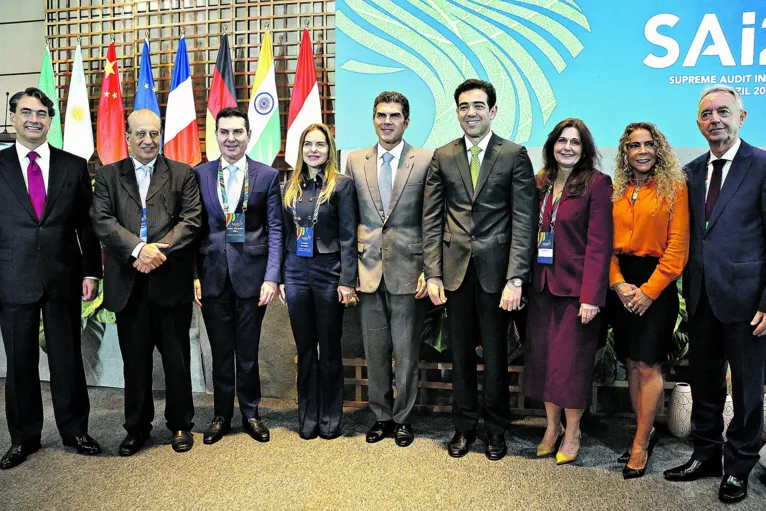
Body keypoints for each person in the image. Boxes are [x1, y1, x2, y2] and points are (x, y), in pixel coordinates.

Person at [422, 79, 537, 460]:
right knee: (460, 356)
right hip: (455, 274)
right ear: (456, 112)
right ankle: (464, 427)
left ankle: (496, 431)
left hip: (497, 275)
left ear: (493, 111)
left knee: (496, 358)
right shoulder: (442, 155)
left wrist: (516, 277)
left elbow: (524, 220)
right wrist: (434, 273)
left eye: (478, 106)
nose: (470, 112)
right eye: (463, 106)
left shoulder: (514, 154)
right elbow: (432, 219)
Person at [664, 85, 766, 504]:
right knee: (705, 382)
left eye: (723, 111)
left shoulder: (761, 164)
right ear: (698, 123)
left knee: (746, 389)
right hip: (702, 296)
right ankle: (705, 455)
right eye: (706, 114)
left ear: (742, 117)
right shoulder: (689, 172)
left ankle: (739, 466)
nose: (714, 119)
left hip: (747, 301)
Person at [0, 87, 102, 469]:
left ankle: (75, 430)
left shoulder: (73, 165)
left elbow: (87, 226)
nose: (34, 119)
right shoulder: (0, 165)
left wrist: (92, 270)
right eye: (26, 112)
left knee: (67, 359)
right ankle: (24, 439)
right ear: (13, 117)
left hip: (64, 277)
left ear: (50, 120)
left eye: (42, 113)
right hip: (12, 277)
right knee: (20, 363)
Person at [91, 109, 202, 455]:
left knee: (176, 359)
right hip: (128, 285)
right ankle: (137, 428)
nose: (147, 140)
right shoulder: (108, 176)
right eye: (140, 134)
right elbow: (102, 221)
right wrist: (138, 249)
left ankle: (181, 424)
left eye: (153, 134)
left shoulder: (183, 173)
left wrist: (155, 253)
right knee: (134, 362)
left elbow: (192, 220)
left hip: (170, 282)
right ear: (127, 138)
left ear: (161, 136)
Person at [522, 118, 613, 465]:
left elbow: (599, 244)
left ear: (585, 149)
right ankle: (551, 427)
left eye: (576, 142)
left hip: (578, 292)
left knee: (571, 365)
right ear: (552, 145)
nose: (568, 147)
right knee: (544, 360)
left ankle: (573, 430)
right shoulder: (540, 183)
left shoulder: (596, 184)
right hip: (542, 286)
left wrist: (592, 295)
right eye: (562, 141)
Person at [345, 92, 432, 447]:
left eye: (395, 116)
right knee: (375, 349)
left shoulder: (425, 160)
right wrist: (348, 272)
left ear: (406, 121)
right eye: (381, 115)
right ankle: (380, 416)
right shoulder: (354, 160)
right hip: (367, 270)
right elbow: (349, 221)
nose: (387, 121)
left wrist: (431, 269)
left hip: (410, 271)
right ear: (373, 118)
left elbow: (432, 219)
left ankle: (403, 417)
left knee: (407, 352)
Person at [193, 107, 283, 444]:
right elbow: (192, 230)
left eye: (238, 132)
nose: (231, 138)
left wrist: (272, 277)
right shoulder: (199, 174)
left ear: (248, 136)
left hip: (252, 279)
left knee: (247, 351)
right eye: (224, 132)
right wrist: (194, 277)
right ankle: (220, 414)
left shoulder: (267, 176)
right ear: (215, 136)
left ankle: (250, 412)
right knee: (220, 352)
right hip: (212, 277)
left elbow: (275, 229)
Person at [607, 122, 689, 478]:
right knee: (630, 362)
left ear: (659, 149)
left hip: (657, 285)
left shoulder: (675, 189)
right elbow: (602, 244)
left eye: (648, 144)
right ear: (625, 153)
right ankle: (644, 430)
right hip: (622, 284)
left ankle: (640, 444)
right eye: (633, 146)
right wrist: (618, 283)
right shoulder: (615, 191)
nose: (642, 151)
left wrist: (648, 292)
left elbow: (677, 248)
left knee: (648, 365)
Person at [278, 123, 358, 440]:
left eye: (320, 145)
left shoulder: (342, 186)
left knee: (330, 347)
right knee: (306, 348)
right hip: (297, 272)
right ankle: (308, 416)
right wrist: (283, 277)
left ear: (329, 149)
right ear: (301, 150)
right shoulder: (289, 186)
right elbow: (284, 236)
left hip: (330, 271)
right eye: (308, 144)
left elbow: (350, 236)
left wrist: (347, 279)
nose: (314, 149)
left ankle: (330, 417)